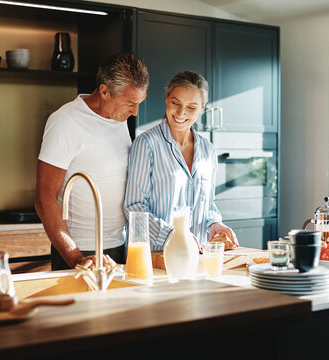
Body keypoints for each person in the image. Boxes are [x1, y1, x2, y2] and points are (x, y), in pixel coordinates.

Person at [35, 53, 149, 270]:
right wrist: (76, 258)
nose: (135, 112)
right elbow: (43, 198)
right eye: (130, 103)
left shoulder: (118, 117)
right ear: (105, 91)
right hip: (81, 250)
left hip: (121, 245)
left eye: (139, 103)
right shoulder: (66, 121)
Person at [124, 70, 238, 252]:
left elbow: (206, 204)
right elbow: (134, 208)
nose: (181, 113)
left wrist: (215, 224)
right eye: (175, 103)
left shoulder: (208, 150)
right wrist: (172, 235)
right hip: (156, 256)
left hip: (198, 256)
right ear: (167, 98)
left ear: (202, 108)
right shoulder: (146, 144)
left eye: (191, 107)